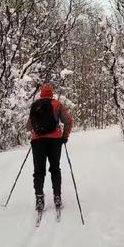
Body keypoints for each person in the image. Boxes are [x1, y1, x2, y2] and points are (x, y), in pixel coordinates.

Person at [26, 83, 73, 212]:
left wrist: (37, 132)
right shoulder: (57, 104)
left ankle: (39, 199)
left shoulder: (35, 105)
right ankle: (57, 197)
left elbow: (28, 127)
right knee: (55, 169)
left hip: (37, 142)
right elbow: (68, 121)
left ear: (41, 94)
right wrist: (64, 136)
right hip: (54, 141)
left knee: (39, 171)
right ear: (51, 93)